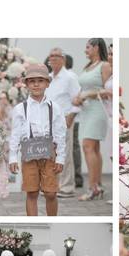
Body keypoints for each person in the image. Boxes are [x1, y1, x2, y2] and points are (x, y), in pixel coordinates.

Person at [8, 63, 66, 216]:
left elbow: (60, 133)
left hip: (50, 154)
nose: (36, 84)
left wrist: (61, 157)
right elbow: (15, 134)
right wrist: (13, 156)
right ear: (26, 84)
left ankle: (52, 220)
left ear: (47, 83)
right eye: (31, 80)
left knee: (51, 193)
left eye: (40, 80)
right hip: (29, 155)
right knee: (31, 192)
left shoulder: (55, 108)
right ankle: (33, 221)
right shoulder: (20, 108)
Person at [72, 39, 111, 201]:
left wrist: (88, 95)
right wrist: (77, 98)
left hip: (98, 109)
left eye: (88, 47)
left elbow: (108, 89)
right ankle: (98, 185)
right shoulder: (87, 67)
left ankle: (92, 187)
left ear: (96, 47)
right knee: (93, 148)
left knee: (88, 146)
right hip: (86, 110)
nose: (85, 50)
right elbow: (83, 88)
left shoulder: (105, 66)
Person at [45, 47, 81, 199]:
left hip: (64, 119)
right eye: (51, 56)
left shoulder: (70, 77)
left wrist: (71, 116)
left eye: (56, 56)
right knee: (51, 155)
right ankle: (54, 185)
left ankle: (67, 187)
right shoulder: (49, 77)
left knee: (64, 155)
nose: (52, 58)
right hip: (48, 120)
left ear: (63, 59)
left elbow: (78, 98)